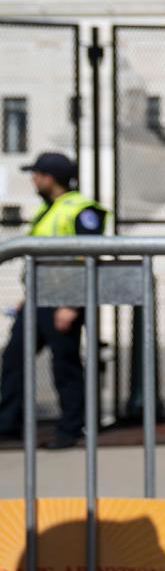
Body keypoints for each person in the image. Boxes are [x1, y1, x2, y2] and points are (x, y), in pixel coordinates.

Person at [0, 152, 108, 450]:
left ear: (50, 177)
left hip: (63, 300)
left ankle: (71, 429)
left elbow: (88, 257)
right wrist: (27, 296)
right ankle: (8, 423)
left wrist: (71, 305)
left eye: (37, 174)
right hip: (37, 298)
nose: (33, 179)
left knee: (65, 367)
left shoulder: (82, 210)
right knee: (13, 360)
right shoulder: (49, 210)